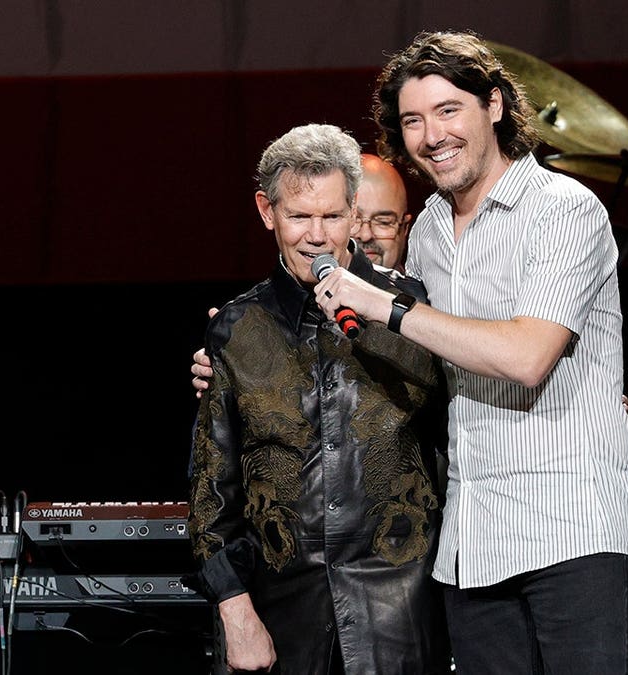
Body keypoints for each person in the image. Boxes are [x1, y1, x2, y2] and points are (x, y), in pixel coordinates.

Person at [312, 31, 628, 674]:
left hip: (572, 529)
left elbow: (526, 357)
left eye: (448, 110)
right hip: (473, 542)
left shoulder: (563, 209)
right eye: (413, 119)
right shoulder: (432, 227)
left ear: (493, 105)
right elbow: (405, 356)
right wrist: (243, 355)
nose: (431, 135)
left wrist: (396, 308)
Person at [187, 122, 450, 674]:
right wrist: (236, 614)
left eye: (331, 216)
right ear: (267, 212)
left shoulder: (415, 312)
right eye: (299, 216)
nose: (316, 235)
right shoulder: (238, 329)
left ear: (354, 212)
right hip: (282, 614)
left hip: (398, 612)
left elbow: (469, 434)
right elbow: (213, 493)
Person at [192, 153, 414, 399]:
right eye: (300, 216)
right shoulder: (242, 323)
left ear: (405, 227)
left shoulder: (426, 303)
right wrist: (232, 350)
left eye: (384, 221)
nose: (363, 233)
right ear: (269, 212)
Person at [354, 152, 414, 272]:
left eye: (383, 222)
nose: (365, 235)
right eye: (354, 219)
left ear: (405, 229)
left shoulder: (430, 290)